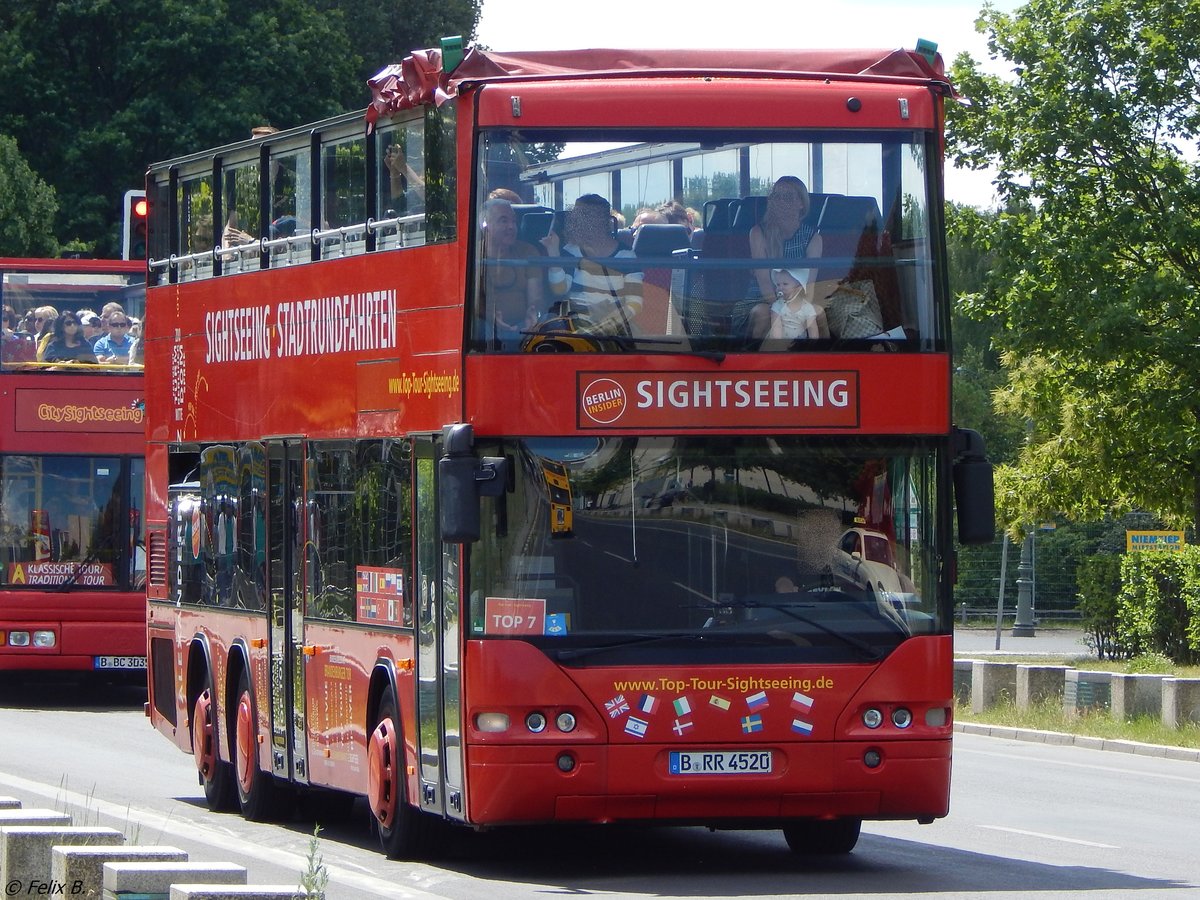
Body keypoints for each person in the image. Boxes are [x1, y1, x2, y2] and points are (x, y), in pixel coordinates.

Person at [543, 194, 643, 332]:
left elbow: (635, 303)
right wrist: (553, 253)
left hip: (614, 327)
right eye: (576, 217)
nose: (577, 223)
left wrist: (606, 326)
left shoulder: (626, 256)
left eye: (584, 216)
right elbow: (559, 290)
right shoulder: (570, 251)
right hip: (574, 325)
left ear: (603, 221)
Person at [745, 176, 823, 338]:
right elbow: (765, 284)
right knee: (763, 314)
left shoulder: (813, 238)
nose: (780, 201)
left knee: (818, 314)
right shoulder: (758, 233)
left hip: (798, 300)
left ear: (801, 203)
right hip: (761, 299)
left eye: (787, 197)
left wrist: (796, 309)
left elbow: (809, 287)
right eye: (776, 196)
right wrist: (782, 310)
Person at [479, 198, 545, 348]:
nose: (511, 227)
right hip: (484, 326)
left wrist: (533, 314)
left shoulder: (528, 251)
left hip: (523, 325)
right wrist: (490, 316)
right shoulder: (473, 255)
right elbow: (473, 302)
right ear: (485, 225)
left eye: (514, 221)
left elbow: (536, 297)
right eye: (503, 221)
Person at [767, 268, 820, 340]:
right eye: (778, 284)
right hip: (781, 344)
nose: (780, 288)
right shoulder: (777, 306)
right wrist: (778, 344)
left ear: (798, 287)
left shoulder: (807, 307)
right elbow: (776, 327)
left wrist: (812, 344)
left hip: (799, 345)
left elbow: (812, 328)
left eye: (785, 284)